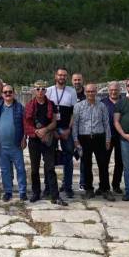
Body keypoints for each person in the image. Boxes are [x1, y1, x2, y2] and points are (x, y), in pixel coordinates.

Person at [26, 80, 67, 205]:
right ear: (34, 90)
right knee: (34, 169)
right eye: (38, 89)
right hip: (34, 139)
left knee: (50, 168)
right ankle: (36, 192)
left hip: (48, 139)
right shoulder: (29, 105)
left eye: (43, 89)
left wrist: (45, 130)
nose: (40, 91)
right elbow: (27, 122)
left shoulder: (51, 104)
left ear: (46, 90)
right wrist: (37, 132)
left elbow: (54, 122)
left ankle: (55, 195)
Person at [73, 83, 113, 201]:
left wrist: (108, 139)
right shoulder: (78, 106)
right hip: (84, 138)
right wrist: (75, 140)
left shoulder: (102, 106)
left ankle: (105, 189)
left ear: (96, 92)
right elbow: (75, 124)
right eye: (88, 91)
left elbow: (106, 123)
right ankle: (89, 189)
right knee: (86, 165)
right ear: (85, 92)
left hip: (99, 137)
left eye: (93, 91)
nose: (90, 93)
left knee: (103, 164)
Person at [0, 84, 27, 202]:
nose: (7, 94)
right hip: (1, 146)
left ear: (14, 93)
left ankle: (22, 192)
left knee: (20, 169)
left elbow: (25, 124)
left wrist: (24, 138)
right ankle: (8, 192)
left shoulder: (19, 108)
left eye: (10, 92)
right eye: (5, 92)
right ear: (2, 94)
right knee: (4, 170)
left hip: (16, 145)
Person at [46, 68, 77, 198]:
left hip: (66, 129)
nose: (62, 77)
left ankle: (68, 187)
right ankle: (48, 187)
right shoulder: (48, 90)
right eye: (59, 75)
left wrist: (69, 129)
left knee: (68, 159)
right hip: (52, 130)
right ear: (55, 76)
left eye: (64, 75)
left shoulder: (72, 91)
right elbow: (45, 112)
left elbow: (74, 113)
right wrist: (52, 130)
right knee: (49, 159)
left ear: (67, 77)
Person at [102, 81, 124, 194]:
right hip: (107, 136)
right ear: (108, 90)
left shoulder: (124, 102)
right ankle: (103, 185)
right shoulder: (102, 102)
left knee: (120, 162)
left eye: (116, 89)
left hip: (121, 136)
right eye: (111, 90)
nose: (113, 92)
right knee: (104, 162)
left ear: (119, 90)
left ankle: (116, 184)